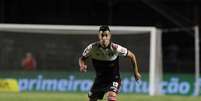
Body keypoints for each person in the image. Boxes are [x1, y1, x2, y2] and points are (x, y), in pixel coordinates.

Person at [79, 25, 141, 101]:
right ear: (99, 36)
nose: (104, 38)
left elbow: (132, 56)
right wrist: (82, 65)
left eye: (106, 35)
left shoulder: (116, 48)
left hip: (114, 79)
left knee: (111, 97)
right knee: (92, 99)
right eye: (102, 35)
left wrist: (136, 72)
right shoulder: (92, 48)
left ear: (110, 36)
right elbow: (82, 58)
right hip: (100, 79)